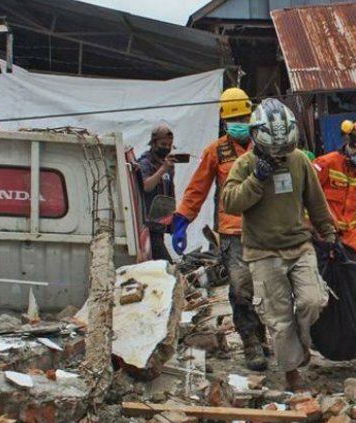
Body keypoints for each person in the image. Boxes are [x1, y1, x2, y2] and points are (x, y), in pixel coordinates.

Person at [221, 98, 338, 391]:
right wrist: (257, 178)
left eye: (283, 150)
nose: (279, 157)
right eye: (274, 153)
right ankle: (291, 372)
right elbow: (231, 202)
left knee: (313, 301)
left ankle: (301, 344)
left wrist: (330, 233)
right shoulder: (244, 164)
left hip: (299, 245)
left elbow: (316, 201)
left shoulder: (298, 160)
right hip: (263, 252)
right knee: (279, 317)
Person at [171, 87, 269, 371]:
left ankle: (264, 335)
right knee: (240, 290)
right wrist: (181, 222)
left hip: (267, 231)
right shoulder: (216, 152)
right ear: (225, 121)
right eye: (233, 117)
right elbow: (197, 190)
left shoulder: (266, 147)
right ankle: (251, 342)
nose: (239, 121)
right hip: (233, 232)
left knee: (270, 291)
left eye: (243, 116)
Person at [313, 119, 356, 262]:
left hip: (350, 239)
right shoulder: (326, 164)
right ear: (354, 143)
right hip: (323, 237)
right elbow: (305, 197)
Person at [138, 125, 176, 262]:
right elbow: (146, 186)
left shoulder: (168, 164)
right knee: (166, 264)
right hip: (147, 225)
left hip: (160, 224)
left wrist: (173, 222)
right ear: (154, 143)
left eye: (169, 145)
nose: (166, 148)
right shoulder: (145, 163)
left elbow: (170, 192)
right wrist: (163, 170)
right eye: (163, 144)